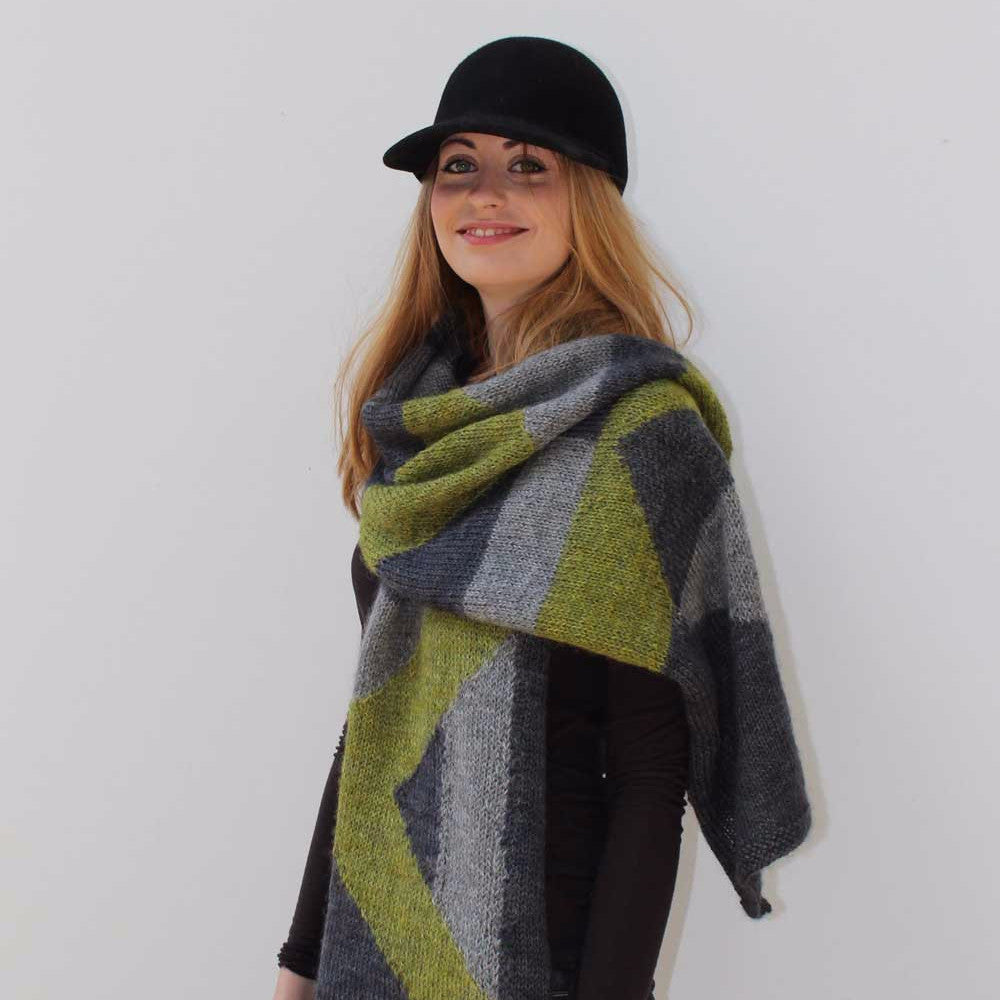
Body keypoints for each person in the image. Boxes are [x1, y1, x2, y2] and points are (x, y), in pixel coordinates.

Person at [271, 35, 810, 1000]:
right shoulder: (415, 422)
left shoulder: (640, 432)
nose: (485, 195)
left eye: (529, 167)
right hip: (372, 947)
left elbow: (650, 778)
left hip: (541, 955)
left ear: (587, 200)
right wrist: (298, 965)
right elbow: (372, 729)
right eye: (458, 168)